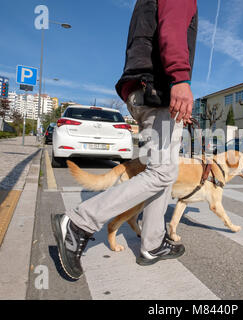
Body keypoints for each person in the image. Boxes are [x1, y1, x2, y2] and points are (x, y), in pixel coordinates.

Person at [51, 0, 198, 280]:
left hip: (142, 89)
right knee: (163, 171)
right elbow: (173, 30)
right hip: (157, 88)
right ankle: (78, 222)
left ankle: (152, 244)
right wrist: (181, 80)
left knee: (164, 173)